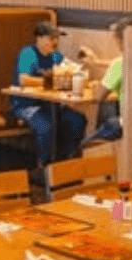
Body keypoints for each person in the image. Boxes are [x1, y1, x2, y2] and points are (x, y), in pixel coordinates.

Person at [9, 22, 88, 164]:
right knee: (46, 126)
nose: (54, 42)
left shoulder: (56, 56)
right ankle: (44, 167)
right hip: (26, 105)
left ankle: (65, 163)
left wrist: (82, 72)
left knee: (77, 120)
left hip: (51, 105)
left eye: (56, 39)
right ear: (38, 38)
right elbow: (23, 80)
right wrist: (51, 82)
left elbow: (75, 71)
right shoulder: (28, 54)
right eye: (51, 39)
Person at [80, 18, 132, 145]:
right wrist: (96, 63)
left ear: (121, 41)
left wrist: (96, 85)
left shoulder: (120, 63)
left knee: (84, 146)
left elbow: (99, 96)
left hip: (124, 125)